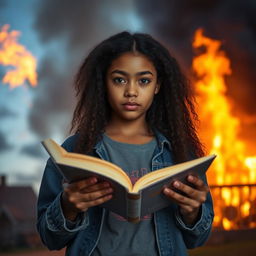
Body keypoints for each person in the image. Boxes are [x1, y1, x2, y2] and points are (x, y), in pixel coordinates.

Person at [37, 31, 214, 256]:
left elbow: (197, 239)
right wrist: (67, 207)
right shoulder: (72, 152)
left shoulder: (181, 154)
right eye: (119, 79)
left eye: (144, 81)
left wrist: (193, 212)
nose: (131, 91)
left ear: (157, 85)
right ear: (104, 83)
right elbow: (49, 238)